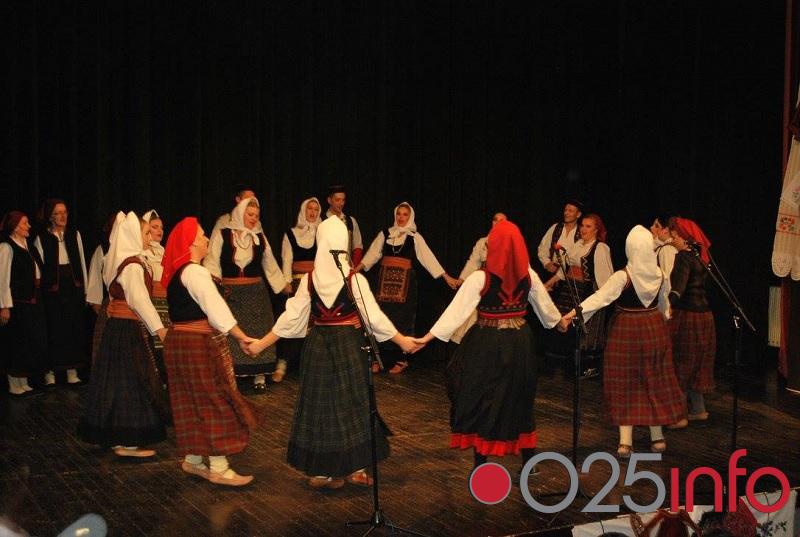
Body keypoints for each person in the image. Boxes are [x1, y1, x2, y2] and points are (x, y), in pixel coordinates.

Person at [246, 216, 419, 489]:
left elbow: (292, 319)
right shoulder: (349, 280)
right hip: (344, 344)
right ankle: (337, 469)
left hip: (321, 346)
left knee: (328, 407)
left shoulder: (318, 280)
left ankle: (340, 469)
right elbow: (372, 318)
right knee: (343, 405)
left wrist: (260, 344)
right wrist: (402, 341)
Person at [412, 220, 562, 473]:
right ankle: (528, 462)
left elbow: (456, 311)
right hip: (520, 342)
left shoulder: (481, 277)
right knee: (519, 396)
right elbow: (547, 311)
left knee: (483, 396)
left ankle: (481, 463)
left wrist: (428, 337)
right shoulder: (528, 275)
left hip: (487, 341)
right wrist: (560, 322)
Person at [559, 225, 686, 457]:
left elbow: (600, 298)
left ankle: (626, 440)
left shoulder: (623, 276)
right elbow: (664, 306)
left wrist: (571, 315)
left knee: (625, 381)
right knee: (652, 378)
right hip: (653, 328)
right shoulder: (659, 274)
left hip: (626, 329)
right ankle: (657, 437)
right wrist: (664, 321)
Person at [161, 217, 258, 486]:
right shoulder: (194, 272)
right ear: (191, 243)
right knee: (212, 398)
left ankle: (193, 459)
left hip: (179, 342)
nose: (206, 239)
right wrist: (241, 336)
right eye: (202, 235)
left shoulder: (179, 274)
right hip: (195, 343)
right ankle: (218, 467)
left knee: (190, 398)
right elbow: (215, 309)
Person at [77, 212, 169, 458]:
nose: (149, 237)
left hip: (119, 328)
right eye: (145, 232)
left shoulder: (121, 259)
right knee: (130, 381)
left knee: (118, 381)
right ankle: (126, 441)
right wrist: (160, 330)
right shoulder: (132, 265)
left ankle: (115, 435)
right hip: (127, 329)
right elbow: (139, 300)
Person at [353, 202, 459, 374]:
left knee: (402, 319)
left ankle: (402, 359)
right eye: (399, 214)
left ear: (410, 217)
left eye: (405, 215)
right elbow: (371, 255)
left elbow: (428, 259)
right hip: (384, 282)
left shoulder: (414, 236)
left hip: (405, 285)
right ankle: (377, 358)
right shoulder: (385, 234)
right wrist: (355, 271)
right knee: (380, 316)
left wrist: (446, 277)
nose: (401, 217)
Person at [204, 197, 285, 394]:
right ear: (240, 213)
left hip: (255, 292)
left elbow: (270, 263)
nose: (253, 218)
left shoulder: (259, 237)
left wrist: (281, 285)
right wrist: (213, 285)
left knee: (258, 330)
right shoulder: (223, 234)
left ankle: (259, 375)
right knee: (232, 333)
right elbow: (213, 260)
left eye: (256, 215)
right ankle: (231, 375)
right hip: (231, 292)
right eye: (250, 214)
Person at [544, 213, 613, 377]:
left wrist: (600, 299)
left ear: (596, 230)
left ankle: (581, 368)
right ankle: (561, 365)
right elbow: (564, 270)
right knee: (562, 324)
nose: (583, 229)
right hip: (569, 291)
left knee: (581, 329)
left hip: (585, 292)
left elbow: (605, 279)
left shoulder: (600, 248)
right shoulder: (577, 244)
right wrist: (548, 284)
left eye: (588, 226)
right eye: (582, 225)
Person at [666, 217, 716, 430]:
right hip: (705, 316)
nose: (672, 240)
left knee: (681, 362)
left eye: (674, 236)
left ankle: (679, 416)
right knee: (697, 363)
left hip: (687, 316)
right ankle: (698, 409)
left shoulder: (683, 258)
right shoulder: (702, 257)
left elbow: (679, 288)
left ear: (685, 238)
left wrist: (667, 305)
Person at [33, 199, 89, 386]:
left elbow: (81, 260)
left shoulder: (74, 234)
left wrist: (85, 288)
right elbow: (39, 265)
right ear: (50, 216)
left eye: (65, 212)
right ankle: (51, 372)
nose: (63, 216)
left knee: (73, 328)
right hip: (53, 291)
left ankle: (72, 370)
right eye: (58, 213)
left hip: (73, 287)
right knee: (55, 330)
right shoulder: (42, 238)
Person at [0, 211, 47, 396]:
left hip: (32, 301)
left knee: (28, 342)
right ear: (14, 226)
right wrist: (4, 306)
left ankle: (23, 380)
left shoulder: (28, 245)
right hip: (17, 303)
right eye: (24, 223)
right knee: (16, 342)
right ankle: (14, 383)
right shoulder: (6, 247)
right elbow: (3, 279)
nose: (29, 226)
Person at [276, 197, 321, 382]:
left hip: (317, 283)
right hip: (297, 283)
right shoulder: (291, 233)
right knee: (293, 320)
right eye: (310, 208)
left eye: (316, 209)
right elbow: (286, 259)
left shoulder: (322, 234)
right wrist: (287, 281)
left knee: (315, 324)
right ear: (304, 210)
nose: (312, 212)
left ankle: (313, 365)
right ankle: (283, 362)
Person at [449, 212, 507, 345]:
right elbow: (473, 262)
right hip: (484, 282)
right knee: (475, 316)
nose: (498, 223)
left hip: (501, 285)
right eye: (495, 220)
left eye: (502, 221)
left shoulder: (511, 243)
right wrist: (462, 279)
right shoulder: (482, 242)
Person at [142, 209, 170, 381]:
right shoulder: (142, 252)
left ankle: (165, 378)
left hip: (165, 302)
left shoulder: (163, 251)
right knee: (153, 338)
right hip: (151, 300)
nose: (159, 231)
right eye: (154, 227)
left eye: (161, 227)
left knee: (166, 340)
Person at [86, 213, 118, 363]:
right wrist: (96, 302)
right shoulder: (103, 249)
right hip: (109, 304)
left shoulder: (134, 249)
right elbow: (95, 276)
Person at [537, 199, 583, 276]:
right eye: (565, 210)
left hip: (570, 275)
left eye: (570, 211)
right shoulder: (556, 228)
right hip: (551, 272)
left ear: (578, 214)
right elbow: (543, 248)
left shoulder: (581, 232)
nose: (566, 213)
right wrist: (547, 263)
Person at [325, 185, 364, 266]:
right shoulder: (322, 220)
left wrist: (352, 268)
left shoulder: (350, 221)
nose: (341, 203)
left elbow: (357, 247)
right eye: (337, 200)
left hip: (346, 267)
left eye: (343, 200)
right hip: (326, 268)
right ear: (329, 200)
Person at [651, 214, 678, 319]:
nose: (652, 228)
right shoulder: (663, 248)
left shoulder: (667, 250)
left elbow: (668, 281)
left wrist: (667, 308)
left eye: (656, 226)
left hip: (666, 308)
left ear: (666, 230)